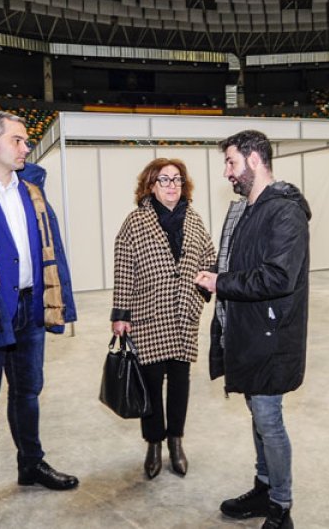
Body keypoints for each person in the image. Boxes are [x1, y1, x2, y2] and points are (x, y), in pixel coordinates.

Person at [0, 111, 79, 529]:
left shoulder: (31, 188)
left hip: (31, 306)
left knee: (28, 393)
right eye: (19, 140)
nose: (26, 148)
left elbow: (51, 247)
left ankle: (31, 465)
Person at [195, 130, 311, 529]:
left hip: (272, 337)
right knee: (258, 415)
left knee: (269, 419)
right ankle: (264, 488)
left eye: (231, 162)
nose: (227, 172)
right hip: (249, 331)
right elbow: (238, 263)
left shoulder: (285, 212)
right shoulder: (248, 208)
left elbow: (277, 278)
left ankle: (281, 508)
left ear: (255, 160)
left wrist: (220, 283)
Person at [110, 158, 217, 479]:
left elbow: (210, 257)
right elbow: (123, 269)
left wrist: (201, 291)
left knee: (181, 384)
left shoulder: (195, 220)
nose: (172, 186)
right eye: (164, 180)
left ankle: (175, 442)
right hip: (148, 315)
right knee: (152, 384)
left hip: (184, 315)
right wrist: (121, 314)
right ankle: (154, 443)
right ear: (151, 186)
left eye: (177, 180)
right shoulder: (135, 222)